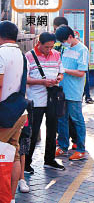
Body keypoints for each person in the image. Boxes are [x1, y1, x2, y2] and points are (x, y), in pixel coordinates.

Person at [25, 32, 66, 175]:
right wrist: (42, 82)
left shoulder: (56, 54)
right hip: (36, 99)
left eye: (51, 47)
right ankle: (26, 163)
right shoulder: (29, 56)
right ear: (39, 43)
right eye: (46, 47)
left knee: (52, 129)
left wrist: (58, 78)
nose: (49, 50)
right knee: (33, 131)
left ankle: (49, 159)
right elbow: (25, 79)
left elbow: (61, 72)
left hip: (52, 98)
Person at [0, 21, 28, 202]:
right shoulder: (21, 54)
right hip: (19, 111)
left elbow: (0, 83)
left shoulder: (1, 53)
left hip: (4, 113)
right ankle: (9, 198)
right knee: (14, 154)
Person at [55, 25, 89, 161]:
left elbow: (81, 73)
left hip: (74, 91)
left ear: (70, 37)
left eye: (64, 40)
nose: (63, 43)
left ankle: (80, 149)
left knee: (77, 119)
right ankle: (63, 146)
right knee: (62, 119)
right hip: (62, 90)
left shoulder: (82, 50)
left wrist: (65, 70)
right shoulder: (65, 48)